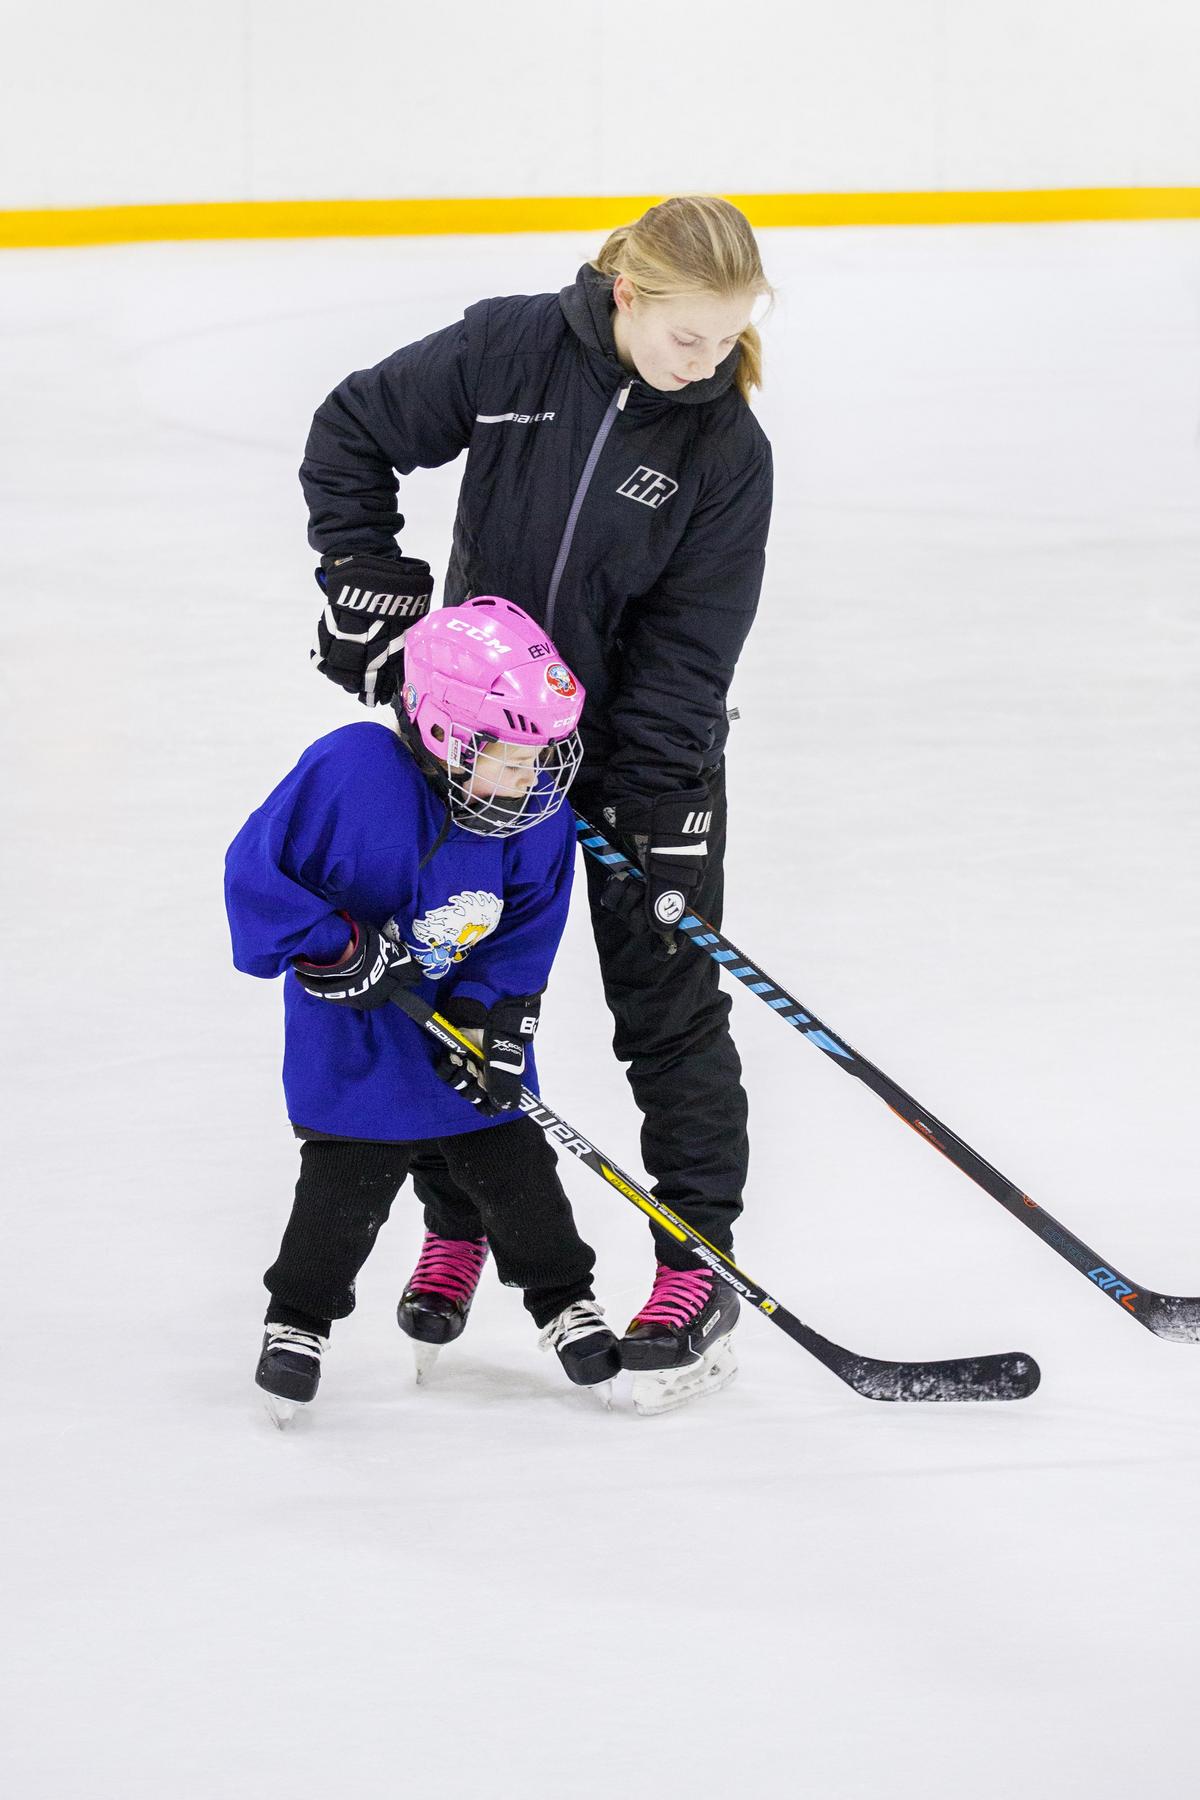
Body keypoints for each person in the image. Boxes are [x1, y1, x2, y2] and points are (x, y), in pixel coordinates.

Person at [299, 194, 774, 1414]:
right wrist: (369, 578)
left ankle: (694, 1262)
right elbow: (352, 427)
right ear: (628, 295)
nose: (708, 364)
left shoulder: (724, 452)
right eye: (687, 339)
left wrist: (650, 801)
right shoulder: (514, 350)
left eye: (728, 341)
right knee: (459, 990)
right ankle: (459, 1227)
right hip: (471, 752)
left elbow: (690, 648)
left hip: (637, 763)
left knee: (665, 1005)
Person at [225, 597, 622, 1424]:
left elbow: (528, 924)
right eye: (510, 760)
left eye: (544, 758)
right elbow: (255, 875)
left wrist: (493, 1014)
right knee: (344, 1190)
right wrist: (332, 946)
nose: (531, 779)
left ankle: (564, 1301)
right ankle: (297, 1320)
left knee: (518, 1174)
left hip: (458, 1038)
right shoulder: (352, 772)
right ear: (444, 733)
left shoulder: (533, 813)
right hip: (359, 1043)